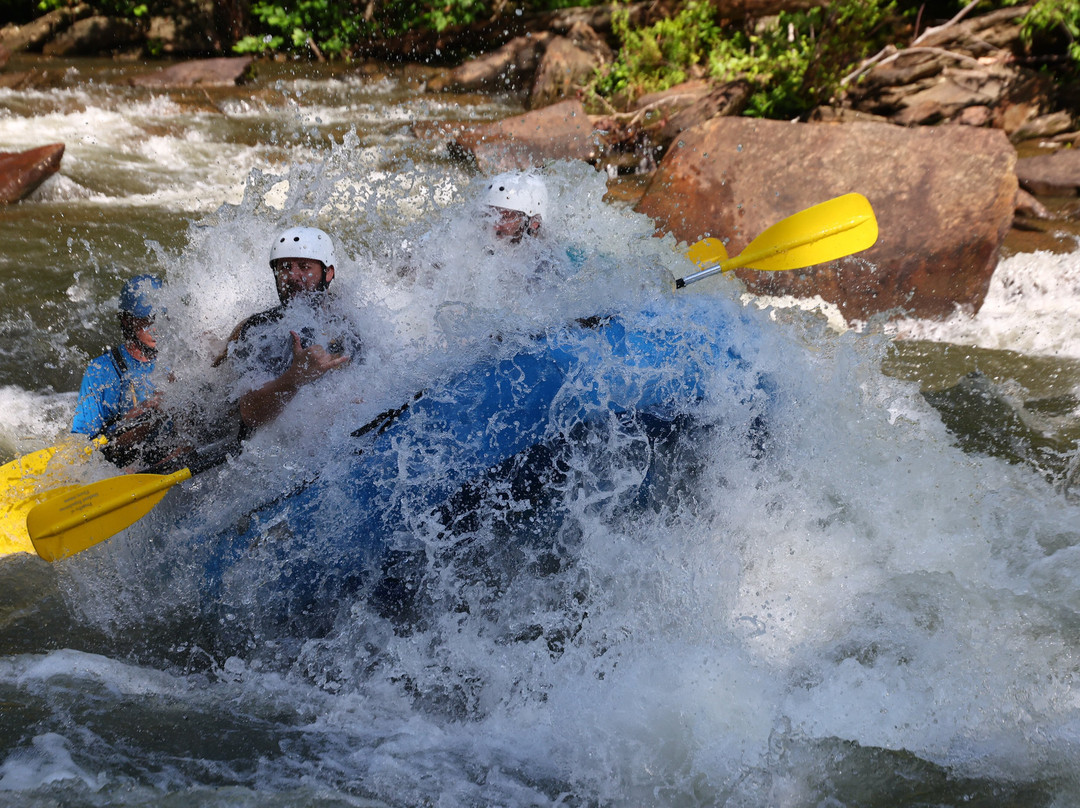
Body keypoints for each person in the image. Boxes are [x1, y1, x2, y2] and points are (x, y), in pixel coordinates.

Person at [215, 226, 361, 436]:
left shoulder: (348, 326)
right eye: (284, 267)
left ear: (328, 273)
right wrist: (296, 377)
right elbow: (250, 415)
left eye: (304, 266)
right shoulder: (259, 330)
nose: (293, 276)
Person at [71, 274, 168, 462]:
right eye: (148, 320)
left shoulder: (178, 357)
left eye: (160, 317)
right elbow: (81, 444)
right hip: (127, 459)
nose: (157, 328)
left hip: (171, 452)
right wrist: (136, 417)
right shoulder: (101, 371)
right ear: (126, 320)